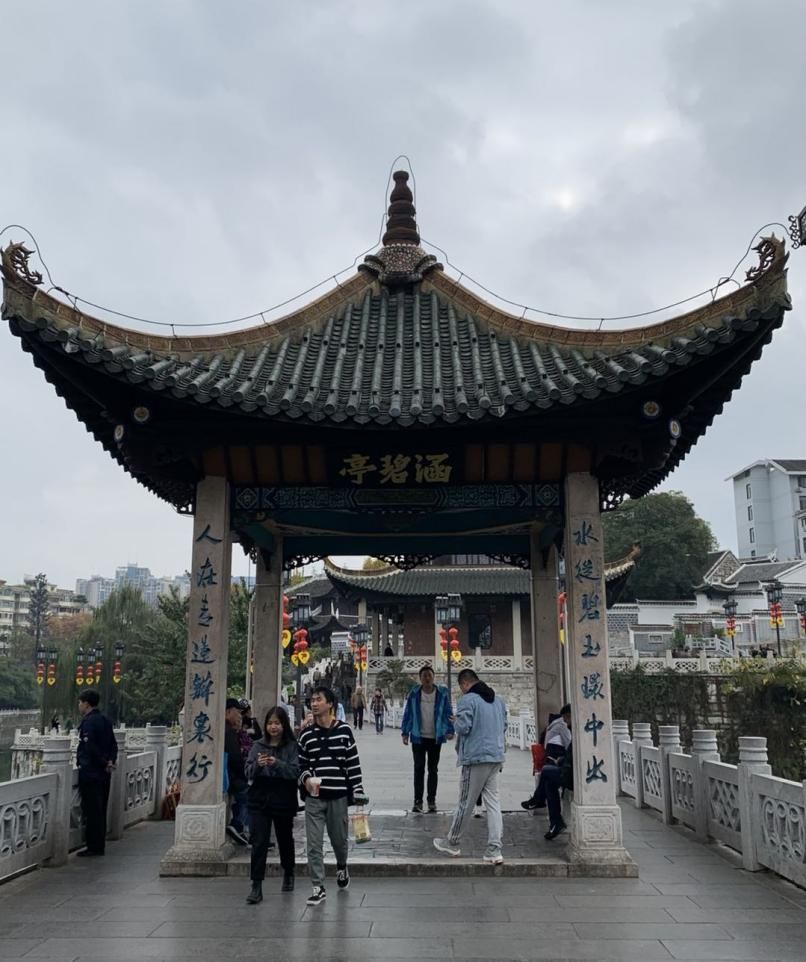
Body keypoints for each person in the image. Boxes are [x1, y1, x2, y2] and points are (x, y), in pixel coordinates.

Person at [298, 685, 366, 906]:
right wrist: (306, 779)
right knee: (313, 844)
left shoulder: (344, 731)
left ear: (330, 704)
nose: (314, 703)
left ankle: (341, 866)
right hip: (314, 797)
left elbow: (352, 762)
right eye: (312, 700)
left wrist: (357, 789)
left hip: (338, 796)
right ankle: (317, 887)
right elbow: (301, 764)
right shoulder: (306, 735)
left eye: (318, 699)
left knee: (339, 841)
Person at [433, 668, 507, 864]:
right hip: (496, 756)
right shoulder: (498, 701)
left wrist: (456, 721)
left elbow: (464, 727)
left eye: (461, 687)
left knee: (466, 802)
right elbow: (504, 726)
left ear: (464, 684)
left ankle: (452, 842)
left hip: (475, 757)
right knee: (493, 803)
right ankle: (494, 849)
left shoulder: (468, 700)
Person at [244, 705, 299, 903]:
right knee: (259, 841)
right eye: (270, 723)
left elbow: (295, 772)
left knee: (284, 838)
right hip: (260, 797)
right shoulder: (258, 745)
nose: (273, 727)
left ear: (284, 725)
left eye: (277, 723)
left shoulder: (292, 746)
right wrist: (258, 766)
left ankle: (289, 871)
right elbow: (247, 771)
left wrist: (276, 763)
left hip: (283, 796)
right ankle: (256, 885)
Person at [401, 665, 454, 813]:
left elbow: (448, 712)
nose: (427, 678)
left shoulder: (442, 694)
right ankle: (418, 801)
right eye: (424, 675)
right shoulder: (414, 694)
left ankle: (431, 800)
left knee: (433, 769)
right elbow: (408, 713)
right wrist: (405, 732)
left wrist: (450, 730)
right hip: (418, 737)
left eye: (429, 675)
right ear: (420, 678)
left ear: (433, 677)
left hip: (435, 737)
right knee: (418, 769)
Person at [76, 689, 118, 857]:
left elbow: (90, 747)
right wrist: (111, 761)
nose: (79, 705)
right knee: (101, 809)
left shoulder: (89, 722)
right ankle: (99, 845)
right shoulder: (105, 720)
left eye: (80, 702)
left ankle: (93, 847)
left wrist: (103, 762)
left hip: (91, 772)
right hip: (104, 773)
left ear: (86, 703)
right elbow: (114, 744)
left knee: (92, 810)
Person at [522, 704, 573, 840]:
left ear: (570, 716)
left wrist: (561, 761)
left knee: (546, 772)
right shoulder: (567, 728)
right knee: (548, 782)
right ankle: (555, 822)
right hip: (567, 769)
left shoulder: (574, 730)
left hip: (573, 774)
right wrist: (562, 760)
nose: (566, 723)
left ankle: (538, 800)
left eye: (566, 720)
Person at [225, 697, 251, 845]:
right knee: (250, 795)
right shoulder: (228, 731)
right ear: (228, 712)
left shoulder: (229, 730)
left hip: (230, 774)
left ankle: (243, 831)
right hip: (231, 776)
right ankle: (237, 825)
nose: (239, 716)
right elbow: (235, 758)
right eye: (237, 713)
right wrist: (244, 773)